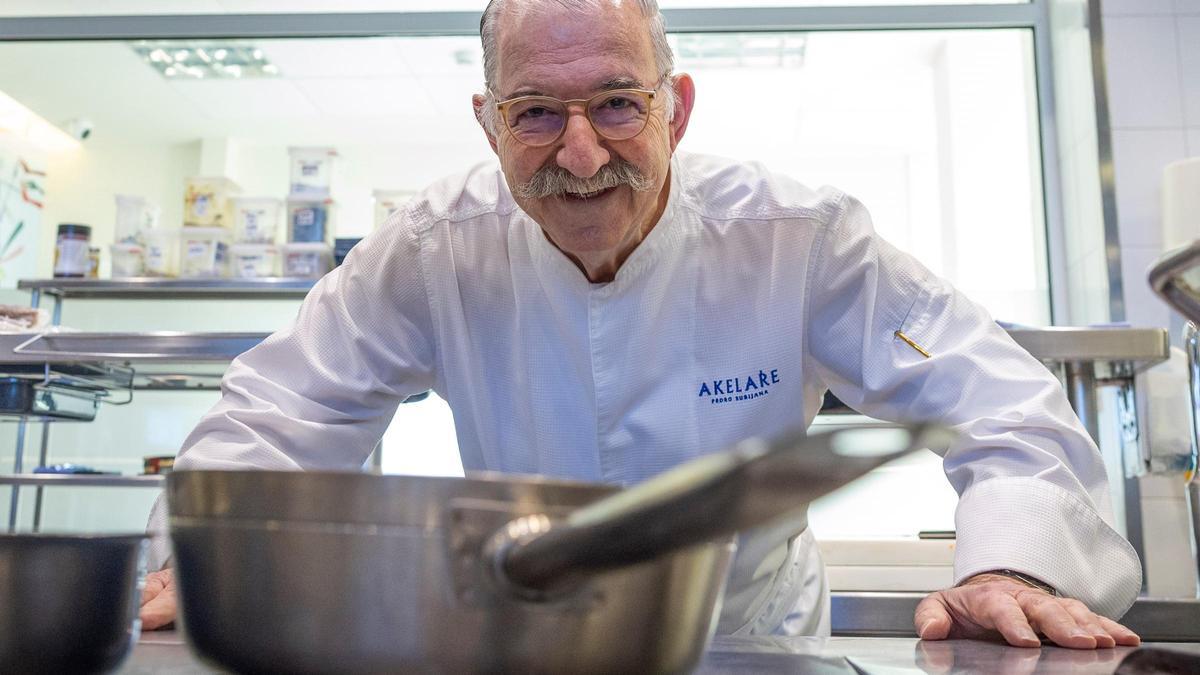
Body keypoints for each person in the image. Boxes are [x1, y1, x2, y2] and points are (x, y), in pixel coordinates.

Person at [139, 0, 1143, 649]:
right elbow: (282, 413)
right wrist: (208, 555)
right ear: (489, 123)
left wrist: (1011, 563)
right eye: (536, 113)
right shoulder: (431, 250)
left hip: (748, 647)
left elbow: (996, 401)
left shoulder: (797, 237)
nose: (580, 156)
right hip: (530, 644)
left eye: (618, 104)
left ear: (678, 110)